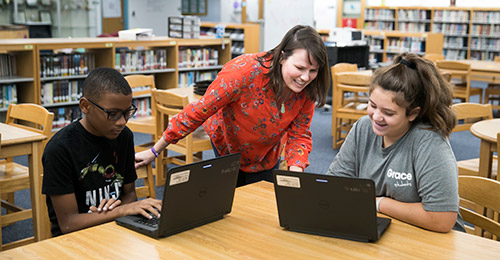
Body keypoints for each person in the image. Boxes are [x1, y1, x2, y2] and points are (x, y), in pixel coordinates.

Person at [135, 25, 330, 186]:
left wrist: (295, 174)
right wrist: (155, 150)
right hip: (228, 142)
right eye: (300, 68)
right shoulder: (243, 72)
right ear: (281, 58)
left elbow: (299, 134)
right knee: (229, 200)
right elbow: (199, 111)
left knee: (262, 205)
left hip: (267, 152)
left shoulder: (308, 88)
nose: (305, 77)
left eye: (313, 70)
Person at [326, 53, 466, 233]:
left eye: (388, 113)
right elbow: (334, 184)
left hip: (432, 239)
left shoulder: (429, 141)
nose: (376, 117)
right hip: (384, 228)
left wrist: (378, 203)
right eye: (372, 105)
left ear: (413, 113)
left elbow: (441, 219)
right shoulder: (363, 127)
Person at [42, 67, 162, 236]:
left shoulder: (124, 136)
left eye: (127, 113)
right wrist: (120, 211)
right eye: (112, 114)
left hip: (115, 229)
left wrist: (118, 209)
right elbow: (68, 224)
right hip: (76, 239)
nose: (122, 122)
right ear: (85, 106)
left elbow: (129, 195)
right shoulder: (60, 149)